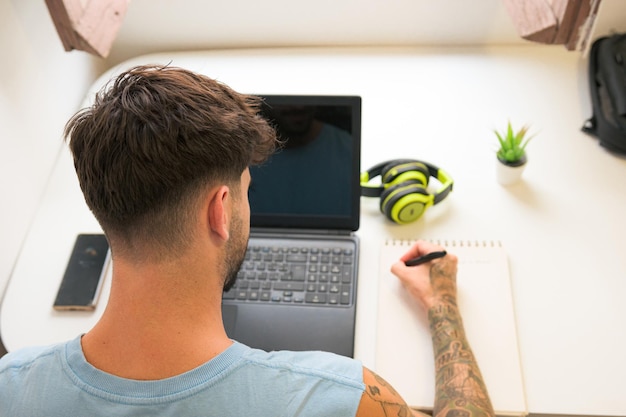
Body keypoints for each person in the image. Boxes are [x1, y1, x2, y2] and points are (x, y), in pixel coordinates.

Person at [0, 65, 495, 417]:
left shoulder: (12, 386)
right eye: (246, 190)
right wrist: (441, 303)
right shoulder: (339, 397)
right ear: (220, 211)